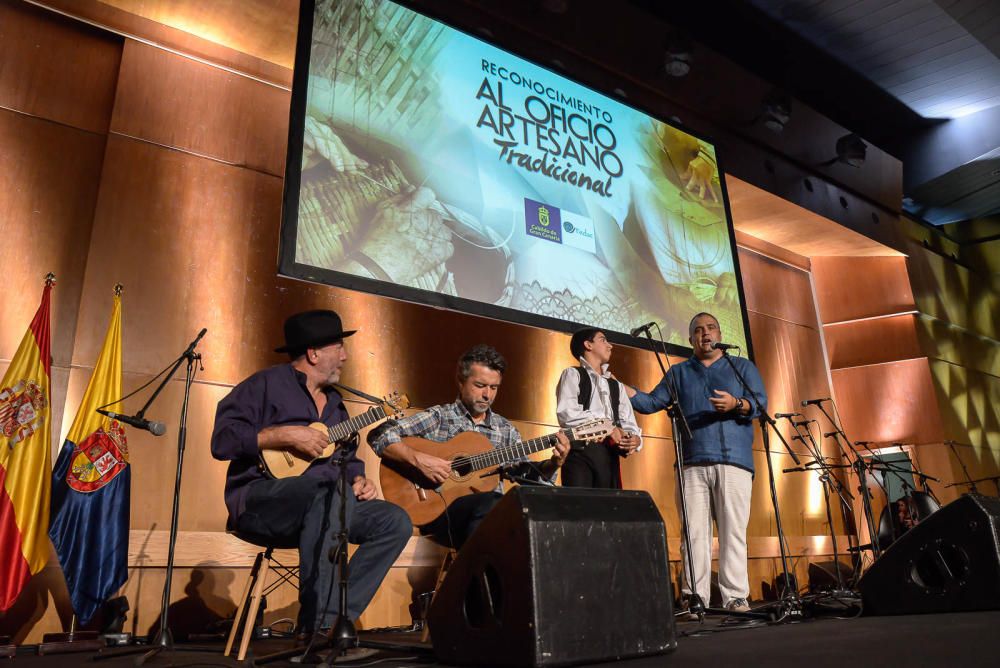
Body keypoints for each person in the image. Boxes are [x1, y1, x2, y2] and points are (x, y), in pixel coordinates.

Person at [210, 309, 412, 635]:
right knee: (325, 494)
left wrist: (359, 480)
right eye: (338, 347)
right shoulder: (264, 385)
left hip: (327, 508)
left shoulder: (336, 405)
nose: (345, 356)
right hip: (263, 502)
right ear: (314, 353)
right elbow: (222, 441)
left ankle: (329, 617)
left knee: (394, 520)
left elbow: (348, 460)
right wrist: (282, 434)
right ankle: (317, 626)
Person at [625, 312, 766, 614]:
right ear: (689, 339)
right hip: (691, 463)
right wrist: (622, 390)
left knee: (733, 532)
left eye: (711, 328)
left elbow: (760, 404)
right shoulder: (678, 373)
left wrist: (736, 404)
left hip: (734, 461)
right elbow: (652, 402)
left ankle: (735, 597)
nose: (705, 333)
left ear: (720, 333)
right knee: (693, 534)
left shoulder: (740, 367)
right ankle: (695, 597)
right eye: (698, 330)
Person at [368, 344, 570, 548]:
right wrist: (419, 460)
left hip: (489, 516)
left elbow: (526, 476)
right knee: (493, 503)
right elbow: (379, 434)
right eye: (480, 385)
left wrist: (553, 464)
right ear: (461, 382)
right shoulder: (441, 416)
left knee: (510, 509)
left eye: (494, 388)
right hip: (438, 513)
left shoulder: (505, 430)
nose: (487, 395)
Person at [556, 328, 642, 488]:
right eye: (603, 340)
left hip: (609, 460)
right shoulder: (573, 374)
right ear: (588, 344)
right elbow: (567, 414)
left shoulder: (616, 385)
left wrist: (634, 439)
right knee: (581, 508)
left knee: (609, 509)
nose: (610, 346)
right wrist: (607, 426)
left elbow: (629, 422)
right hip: (580, 455)